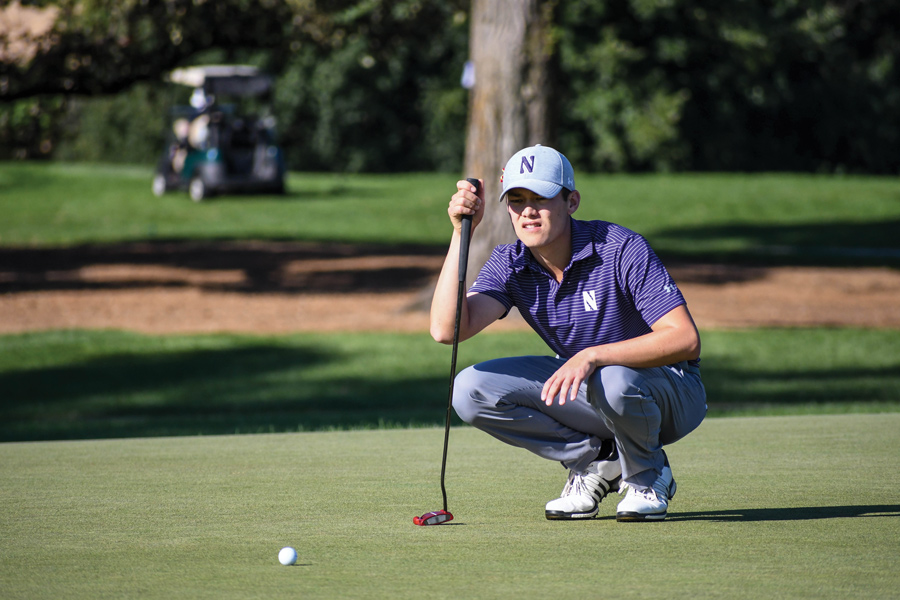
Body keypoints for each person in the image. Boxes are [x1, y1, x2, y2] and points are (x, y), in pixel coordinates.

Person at [430, 145, 707, 522]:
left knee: (610, 375)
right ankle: (598, 461)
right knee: (470, 389)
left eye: (541, 198)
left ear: (571, 201)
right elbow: (447, 330)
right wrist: (461, 234)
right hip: (595, 388)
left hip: (672, 391)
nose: (528, 210)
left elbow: (684, 339)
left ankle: (648, 474)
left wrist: (593, 355)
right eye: (516, 199)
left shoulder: (620, 248)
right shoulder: (510, 263)